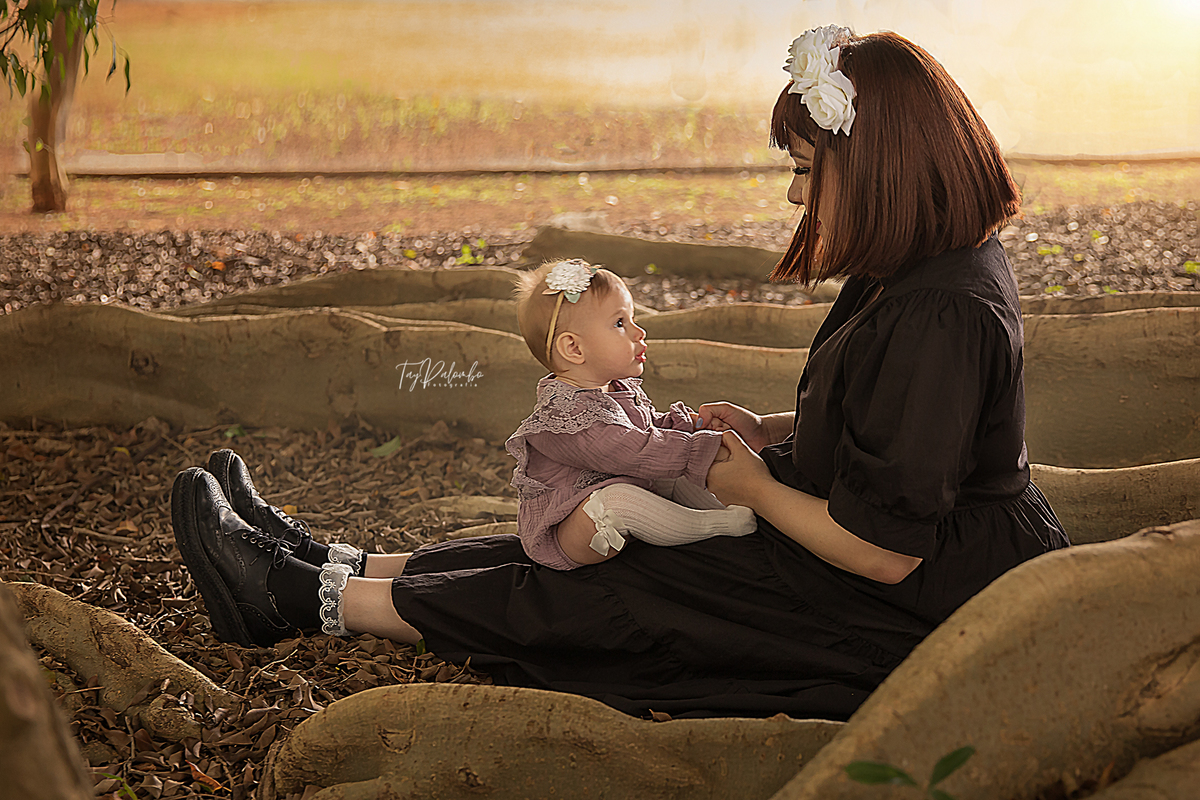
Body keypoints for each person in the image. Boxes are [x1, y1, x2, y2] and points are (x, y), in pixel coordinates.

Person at [170, 25, 1068, 720]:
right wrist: (773, 433)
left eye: (805, 170)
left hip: (910, 607)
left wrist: (751, 487)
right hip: (857, 543)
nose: (797, 194)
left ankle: (290, 598)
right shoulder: (916, 266)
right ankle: (333, 561)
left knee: (611, 584)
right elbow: (905, 431)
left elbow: (887, 547)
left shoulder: (944, 310)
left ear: (876, 168)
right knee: (565, 532)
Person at [507, 259, 755, 570]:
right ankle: (711, 527)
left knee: (675, 476)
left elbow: (646, 428)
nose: (639, 331)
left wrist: (691, 427)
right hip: (572, 531)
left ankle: (740, 510)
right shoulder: (562, 418)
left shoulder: (613, 387)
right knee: (618, 501)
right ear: (574, 348)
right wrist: (700, 448)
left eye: (632, 318)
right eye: (620, 323)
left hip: (627, 482)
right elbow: (634, 449)